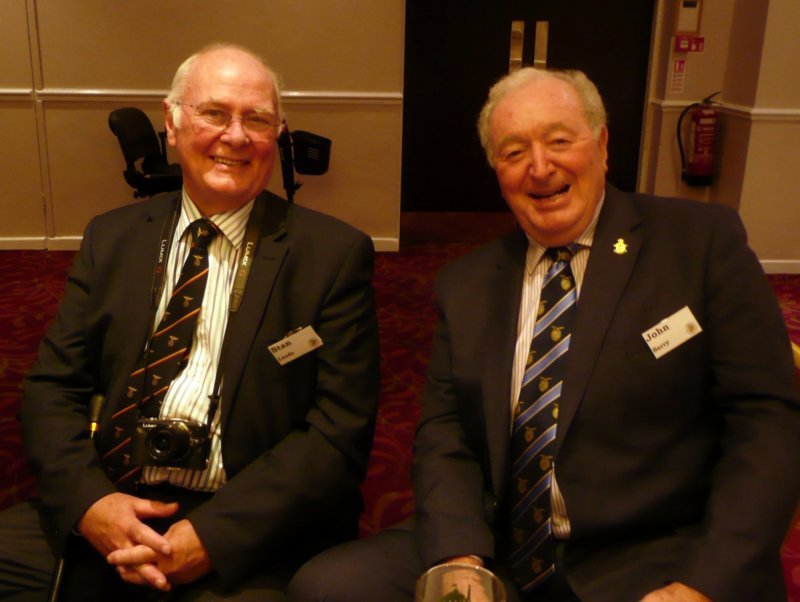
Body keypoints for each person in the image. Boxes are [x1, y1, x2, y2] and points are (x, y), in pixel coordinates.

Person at [288, 68, 800, 601]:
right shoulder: (466, 284)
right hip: (500, 542)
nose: (539, 166)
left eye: (559, 141)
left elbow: (766, 421)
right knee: (329, 588)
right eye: (514, 152)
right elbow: (446, 432)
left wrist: (701, 583)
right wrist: (459, 555)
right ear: (496, 169)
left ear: (602, 145)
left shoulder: (698, 244)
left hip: (650, 555)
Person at [0, 43, 379, 601]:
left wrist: (214, 536)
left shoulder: (332, 256)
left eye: (257, 119)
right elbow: (51, 388)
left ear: (277, 136)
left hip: (245, 517)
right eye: (214, 113)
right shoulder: (112, 238)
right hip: (113, 496)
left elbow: (337, 433)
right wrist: (91, 503)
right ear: (172, 124)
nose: (236, 136)